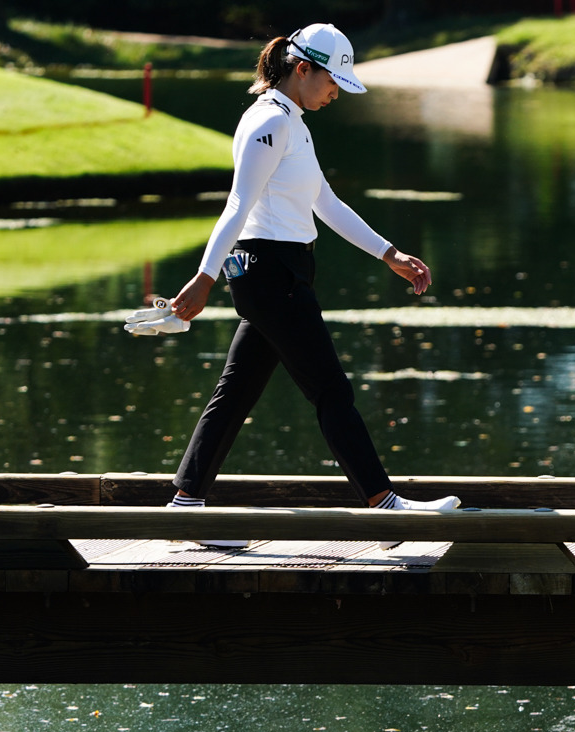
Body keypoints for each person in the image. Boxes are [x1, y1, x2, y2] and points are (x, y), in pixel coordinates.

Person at [163, 23, 460, 547]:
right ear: (303, 69)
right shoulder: (268, 125)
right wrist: (203, 279)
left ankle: (184, 506)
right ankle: (383, 503)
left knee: (235, 395)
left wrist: (388, 253)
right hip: (269, 274)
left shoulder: (292, 122)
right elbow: (238, 206)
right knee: (331, 390)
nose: (335, 93)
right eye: (332, 82)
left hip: (283, 272)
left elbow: (325, 202)